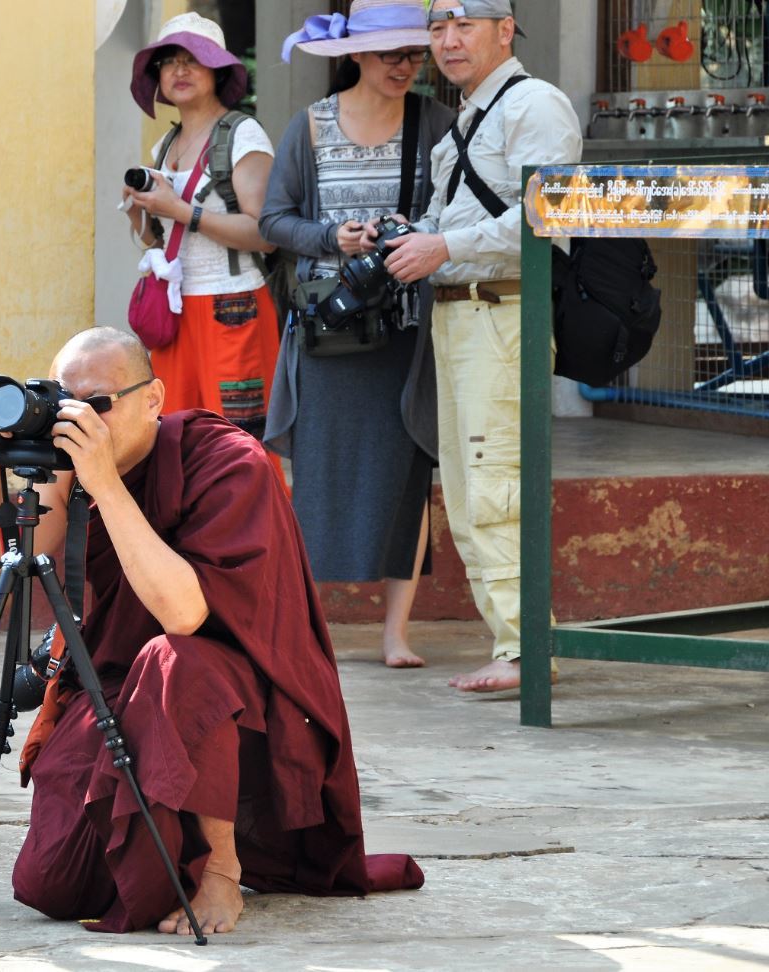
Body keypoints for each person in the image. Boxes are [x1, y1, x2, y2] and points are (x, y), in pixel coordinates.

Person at [0, 327, 424, 935]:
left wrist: (102, 481)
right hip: (123, 687)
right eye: (64, 401)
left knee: (176, 659)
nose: (79, 421)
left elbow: (184, 616)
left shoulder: (229, 461)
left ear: (153, 398)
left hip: (237, 696)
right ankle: (173, 846)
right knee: (51, 882)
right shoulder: (71, 470)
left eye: (97, 404)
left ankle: (222, 870)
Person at [382, 0, 581, 692]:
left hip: (503, 313)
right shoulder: (468, 115)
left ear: (506, 30)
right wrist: (412, 237)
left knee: (496, 482)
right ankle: (513, 640)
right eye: (437, 28)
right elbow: (458, 219)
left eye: (465, 25)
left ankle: (527, 650)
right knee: (467, 493)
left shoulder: (537, 106)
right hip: (458, 315)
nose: (448, 41)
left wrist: (443, 245)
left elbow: (546, 221)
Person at [260, 1, 456, 668]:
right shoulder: (310, 128)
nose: (404, 66)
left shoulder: (435, 122)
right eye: (389, 55)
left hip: (405, 329)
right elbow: (273, 220)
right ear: (356, 57)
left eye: (412, 54)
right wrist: (330, 237)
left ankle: (395, 633)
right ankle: (303, 626)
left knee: (408, 474)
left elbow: (455, 209)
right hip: (329, 329)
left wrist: (416, 230)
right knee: (316, 475)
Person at [122, 13, 279, 440]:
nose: (179, 69)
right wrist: (142, 215)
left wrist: (183, 211)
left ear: (217, 70)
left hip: (233, 306)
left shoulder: (243, 135)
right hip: (173, 313)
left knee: (237, 443)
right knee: (172, 437)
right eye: (169, 61)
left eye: (194, 58)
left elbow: (265, 234)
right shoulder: (165, 145)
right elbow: (164, 241)